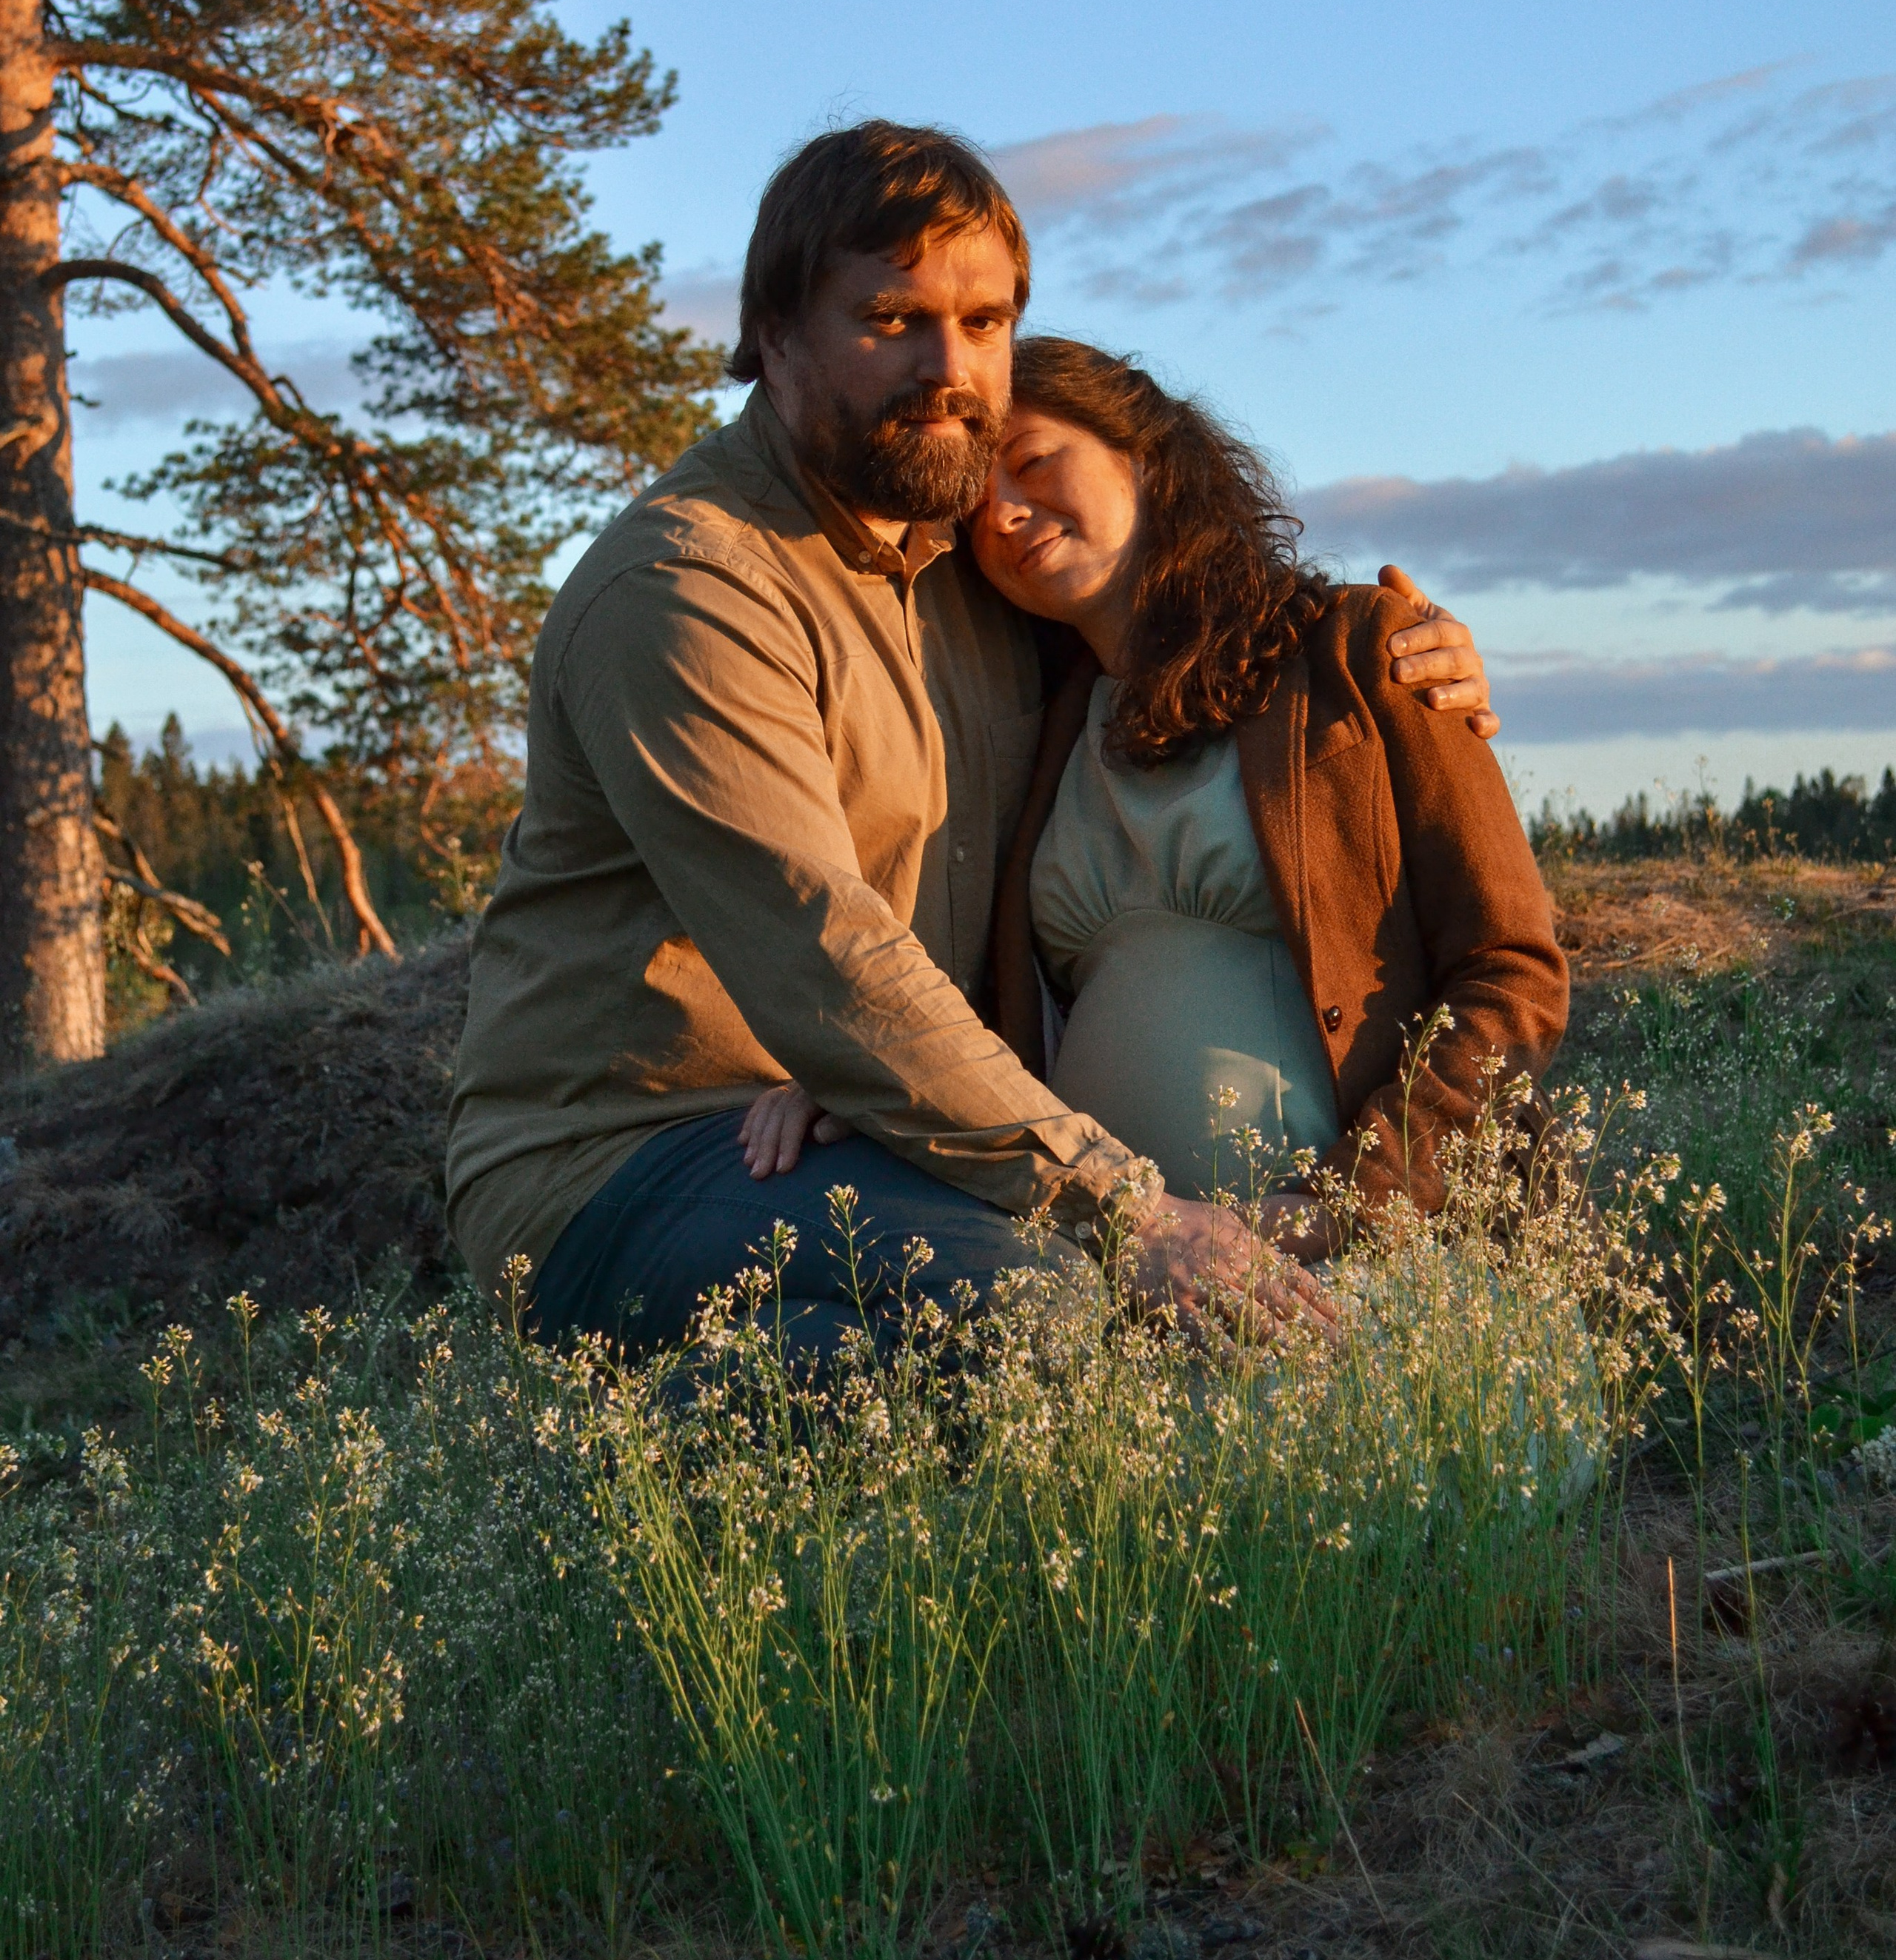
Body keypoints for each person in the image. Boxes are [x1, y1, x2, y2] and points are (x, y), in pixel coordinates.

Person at [445, 124, 1500, 1362]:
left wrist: (1393, 657)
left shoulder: (967, 568)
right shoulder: (690, 590)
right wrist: (1128, 1210)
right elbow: (824, 957)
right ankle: (633, 1492)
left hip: (859, 1123)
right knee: (1052, 1314)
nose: (952, 368)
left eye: (987, 322)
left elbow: (1176, 643)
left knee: (1079, 1343)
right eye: (890, 319)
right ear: (776, 339)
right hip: (627, 1153)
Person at [970, 338, 1568, 1257]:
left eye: (1033, 461)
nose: (1005, 512)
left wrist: (1359, 1197)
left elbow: (1513, 973)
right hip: (1124, 1282)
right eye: (973, 504)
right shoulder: (1040, 730)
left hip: (1354, 1272)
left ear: (1144, 453)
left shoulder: (1358, 653)